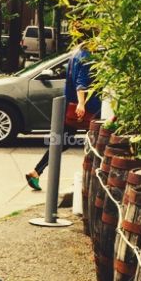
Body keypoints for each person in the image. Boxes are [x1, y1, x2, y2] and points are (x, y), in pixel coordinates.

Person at [25, 37, 100, 191]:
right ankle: (86, 181)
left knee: (61, 142)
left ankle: (36, 172)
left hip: (71, 105)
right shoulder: (87, 55)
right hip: (89, 108)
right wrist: (81, 103)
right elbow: (81, 81)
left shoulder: (75, 53)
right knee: (94, 144)